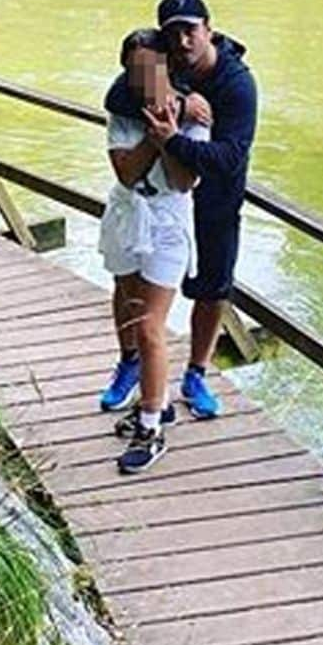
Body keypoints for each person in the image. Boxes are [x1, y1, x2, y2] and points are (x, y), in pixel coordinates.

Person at [100, 0, 257, 420]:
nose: (183, 40)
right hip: (162, 197)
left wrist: (171, 139)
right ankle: (130, 363)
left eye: (191, 30)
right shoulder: (158, 66)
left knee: (213, 286)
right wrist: (181, 106)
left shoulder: (236, 84)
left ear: (210, 29)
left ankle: (197, 374)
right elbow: (121, 95)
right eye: (174, 33)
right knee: (129, 285)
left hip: (216, 193)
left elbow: (229, 157)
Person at [98, 28, 209, 473]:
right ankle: (152, 398)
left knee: (150, 326)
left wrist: (171, 136)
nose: (143, 78)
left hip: (166, 220)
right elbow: (125, 172)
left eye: (151, 68)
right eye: (134, 69)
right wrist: (154, 135)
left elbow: (185, 181)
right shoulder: (123, 106)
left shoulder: (196, 112)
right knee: (126, 302)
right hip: (128, 211)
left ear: (166, 66)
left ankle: (151, 428)